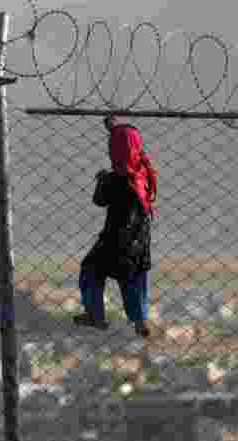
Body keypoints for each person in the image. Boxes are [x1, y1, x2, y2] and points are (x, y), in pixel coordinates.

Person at [75, 114, 157, 338]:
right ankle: (139, 320)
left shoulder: (115, 180)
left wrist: (101, 179)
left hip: (115, 238)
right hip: (140, 239)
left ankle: (94, 314)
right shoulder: (145, 175)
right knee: (133, 277)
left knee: (91, 270)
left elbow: (99, 200)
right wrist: (113, 126)